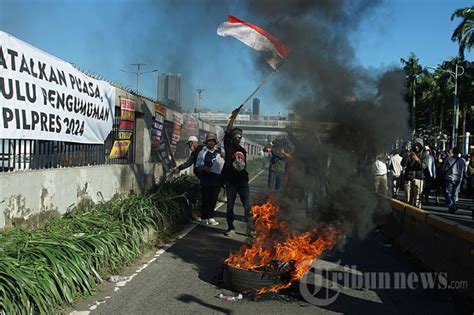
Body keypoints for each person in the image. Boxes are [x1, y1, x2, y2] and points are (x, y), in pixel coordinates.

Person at [222, 105, 251, 237]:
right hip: (231, 181)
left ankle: (250, 228)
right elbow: (227, 132)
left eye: (240, 137)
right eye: (236, 136)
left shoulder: (243, 150)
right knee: (230, 206)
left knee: (247, 205)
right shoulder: (229, 147)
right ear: (233, 137)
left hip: (242, 181)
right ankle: (231, 227)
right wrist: (233, 118)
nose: (238, 138)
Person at [194, 132, 225, 226]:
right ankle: (203, 218)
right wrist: (204, 168)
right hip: (206, 179)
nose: (210, 143)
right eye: (209, 141)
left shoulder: (219, 152)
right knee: (205, 199)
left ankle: (211, 217)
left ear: (215, 142)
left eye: (212, 141)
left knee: (213, 199)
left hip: (217, 180)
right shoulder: (202, 153)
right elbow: (197, 167)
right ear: (206, 142)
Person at [401, 138, 428, 208]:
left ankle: (417, 216)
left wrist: (417, 159)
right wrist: (406, 156)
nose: (416, 147)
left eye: (418, 145)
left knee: (417, 200)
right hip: (409, 178)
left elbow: (424, 166)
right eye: (415, 145)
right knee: (408, 200)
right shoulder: (409, 153)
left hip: (418, 179)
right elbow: (403, 164)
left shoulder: (424, 155)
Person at [442, 147, 467, 213]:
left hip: (449, 177)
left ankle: (451, 205)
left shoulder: (448, 159)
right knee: (454, 193)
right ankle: (453, 205)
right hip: (458, 178)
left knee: (448, 192)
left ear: (453, 152)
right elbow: (465, 170)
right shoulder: (463, 160)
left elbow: (444, 169)